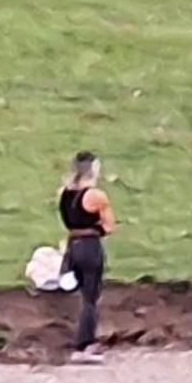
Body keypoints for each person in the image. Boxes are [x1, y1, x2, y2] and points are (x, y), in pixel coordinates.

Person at [58, 151, 116, 364]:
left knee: (80, 292)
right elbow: (109, 226)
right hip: (90, 246)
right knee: (91, 297)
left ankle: (79, 339)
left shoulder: (64, 194)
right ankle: (85, 344)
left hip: (72, 245)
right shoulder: (96, 196)